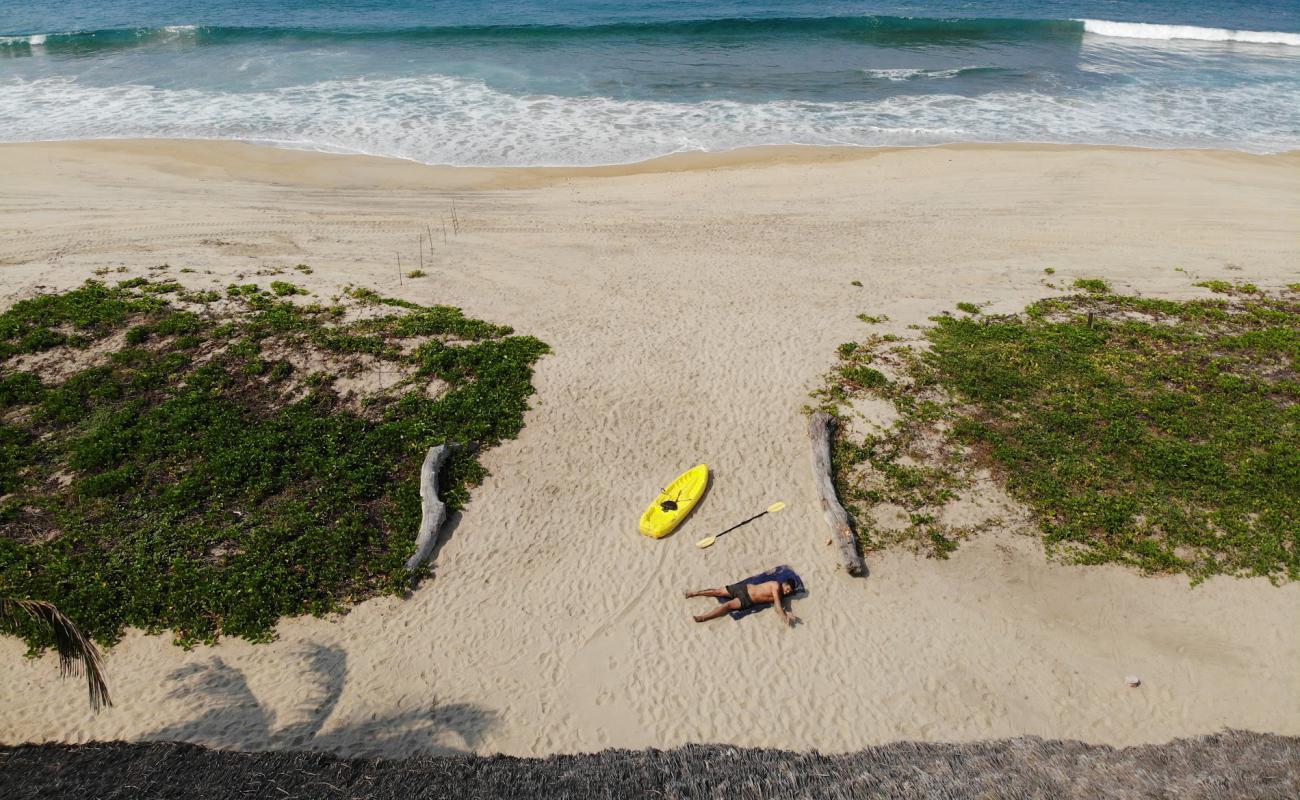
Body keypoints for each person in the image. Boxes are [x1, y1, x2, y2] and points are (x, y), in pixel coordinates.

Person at [685, 578, 799, 627]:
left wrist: (786, 614)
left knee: (727, 605)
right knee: (718, 592)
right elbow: (778, 606)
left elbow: (778, 605)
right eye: (788, 588)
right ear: (785, 583)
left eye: (790, 592)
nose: (788, 592)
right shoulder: (776, 585)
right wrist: (784, 615)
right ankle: (694, 593)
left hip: (747, 600)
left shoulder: (779, 596)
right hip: (743, 588)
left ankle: (703, 617)